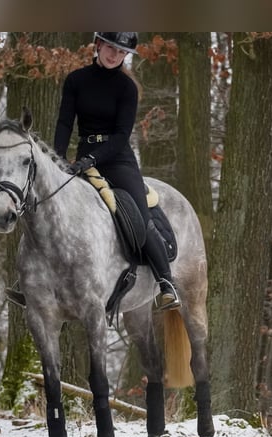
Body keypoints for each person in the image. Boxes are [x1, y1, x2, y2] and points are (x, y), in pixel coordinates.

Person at [54, 32, 180, 311]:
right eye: (111, 48)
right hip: (82, 157)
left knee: (139, 215)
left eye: (121, 52)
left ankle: (166, 283)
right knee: (52, 206)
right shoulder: (76, 80)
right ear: (98, 45)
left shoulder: (127, 88)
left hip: (118, 160)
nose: (114, 55)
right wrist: (59, 158)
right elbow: (64, 123)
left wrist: (92, 160)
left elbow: (122, 135)